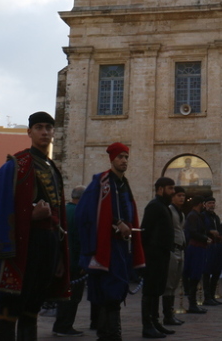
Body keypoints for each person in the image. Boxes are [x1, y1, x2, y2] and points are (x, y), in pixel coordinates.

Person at [0, 111, 71, 341]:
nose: (44, 132)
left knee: (33, 307)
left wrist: (60, 253)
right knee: (10, 308)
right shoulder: (16, 164)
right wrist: (30, 215)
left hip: (48, 244)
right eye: (39, 127)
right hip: (24, 245)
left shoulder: (52, 167)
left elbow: (59, 215)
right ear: (29, 132)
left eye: (48, 128)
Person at [76, 142, 146, 341]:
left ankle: (110, 334)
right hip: (105, 247)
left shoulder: (124, 184)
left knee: (117, 290)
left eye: (126, 157)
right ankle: (109, 335)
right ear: (112, 159)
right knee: (108, 292)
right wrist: (116, 223)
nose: (124, 161)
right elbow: (85, 212)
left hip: (122, 247)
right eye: (120, 157)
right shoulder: (101, 182)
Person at [140, 177, 176, 338]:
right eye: (170, 188)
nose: (173, 192)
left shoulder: (164, 207)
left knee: (157, 290)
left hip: (162, 255)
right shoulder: (154, 206)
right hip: (153, 255)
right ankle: (147, 325)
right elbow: (145, 231)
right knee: (150, 291)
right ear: (160, 189)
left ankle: (155, 322)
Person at [52, 186, 86, 337]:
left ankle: (59, 325)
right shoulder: (81, 213)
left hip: (61, 260)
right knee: (74, 296)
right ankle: (65, 326)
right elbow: (81, 240)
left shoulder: (64, 210)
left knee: (63, 293)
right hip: (75, 261)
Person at [162, 186, 186, 326]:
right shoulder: (169, 210)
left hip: (180, 249)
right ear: (172, 197)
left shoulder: (180, 212)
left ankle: (171, 312)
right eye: (179, 195)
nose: (182, 198)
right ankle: (167, 315)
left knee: (175, 283)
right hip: (172, 249)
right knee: (169, 284)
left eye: (183, 195)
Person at [183, 196, 209, 314]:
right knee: (194, 275)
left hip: (199, 248)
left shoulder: (198, 215)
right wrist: (205, 238)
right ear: (199, 204)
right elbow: (193, 232)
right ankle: (192, 304)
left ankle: (193, 303)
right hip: (195, 248)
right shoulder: (193, 215)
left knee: (197, 275)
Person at [201, 197, 222, 305]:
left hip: (217, 246)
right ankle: (207, 297)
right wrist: (209, 231)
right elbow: (200, 229)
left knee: (216, 271)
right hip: (208, 246)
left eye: (213, 203)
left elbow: (219, 230)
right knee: (207, 272)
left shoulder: (216, 217)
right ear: (205, 204)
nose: (212, 205)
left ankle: (212, 295)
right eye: (209, 203)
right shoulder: (202, 216)